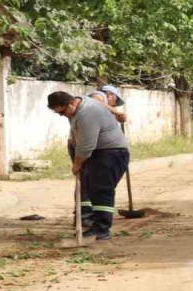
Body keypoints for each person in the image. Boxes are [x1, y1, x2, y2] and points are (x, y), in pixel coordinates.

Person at [47, 91, 131, 241]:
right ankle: (95, 224)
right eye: (58, 113)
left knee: (101, 190)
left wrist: (77, 163)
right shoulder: (82, 103)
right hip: (100, 153)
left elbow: (86, 146)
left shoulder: (87, 114)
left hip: (110, 154)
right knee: (93, 189)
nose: (62, 115)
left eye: (63, 111)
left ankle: (102, 229)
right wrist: (116, 112)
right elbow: (101, 104)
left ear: (72, 103)